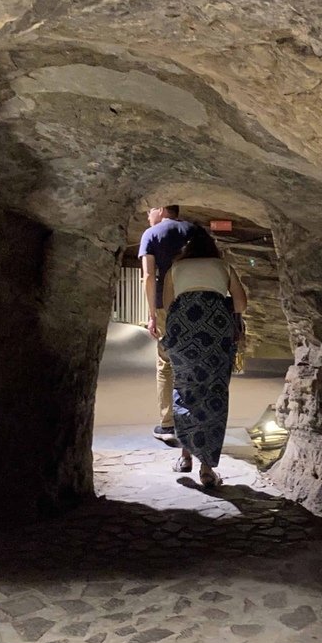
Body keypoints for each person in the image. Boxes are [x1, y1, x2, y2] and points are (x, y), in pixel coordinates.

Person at [162, 227, 247, 488]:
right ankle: (207, 469)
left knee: (185, 389)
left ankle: (185, 456)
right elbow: (241, 305)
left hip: (183, 332)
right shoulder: (223, 266)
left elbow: (168, 305)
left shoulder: (175, 269)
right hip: (216, 334)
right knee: (214, 394)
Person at [139, 204, 194, 442]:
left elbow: (149, 276)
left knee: (166, 362)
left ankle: (168, 424)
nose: (147, 216)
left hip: (165, 304)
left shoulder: (151, 234)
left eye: (149, 210)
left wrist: (152, 313)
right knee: (192, 359)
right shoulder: (193, 230)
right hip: (193, 302)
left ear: (160, 209)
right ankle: (194, 418)